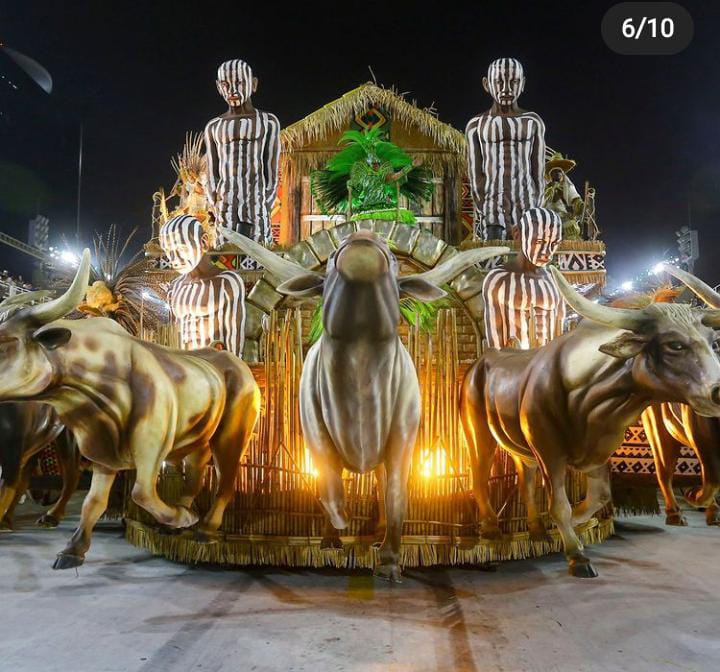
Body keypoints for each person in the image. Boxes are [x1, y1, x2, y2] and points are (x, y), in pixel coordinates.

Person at [466, 58, 546, 240]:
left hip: (526, 199)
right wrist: (483, 201)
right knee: (494, 250)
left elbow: (538, 167)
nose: (506, 89)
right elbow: (474, 171)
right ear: (486, 84)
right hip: (493, 200)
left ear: (523, 83)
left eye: (514, 82)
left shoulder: (533, 122)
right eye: (499, 82)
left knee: (527, 250)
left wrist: (536, 199)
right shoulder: (476, 125)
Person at [204, 59, 281, 247]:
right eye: (225, 84)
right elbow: (212, 168)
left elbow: (271, 165)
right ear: (218, 87)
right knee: (225, 251)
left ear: (253, 84)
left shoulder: (268, 121)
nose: (232, 90)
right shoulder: (214, 126)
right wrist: (215, 199)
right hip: (226, 203)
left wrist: (266, 200)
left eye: (239, 83)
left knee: (259, 249)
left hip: (256, 201)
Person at [160, 214, 246, 356]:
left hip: (214, 366)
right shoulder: (174, 287)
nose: (174, 259)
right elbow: (172, 332)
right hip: (185, 366)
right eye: (169, 252)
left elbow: (235, 335)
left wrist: (230, 369)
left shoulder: (227, 282)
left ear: (204, 242)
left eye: (181, 249)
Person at [482, 207, 564, 349]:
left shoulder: (555, 280)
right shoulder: (499, 279)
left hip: (548, 363)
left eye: (554, 244)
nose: (547, 252)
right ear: (517, 235)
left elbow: (560, 327)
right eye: (539, 242)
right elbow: (494, 336)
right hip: (515, 365)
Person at [544, 152, 584, 240]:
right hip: (547, 216)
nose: (558, 173)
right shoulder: (546, 188)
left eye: (559, 171)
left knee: (572, 228)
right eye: (555, 171)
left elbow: (574, 196)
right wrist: (552, 190)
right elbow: (542, 201)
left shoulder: (567, 186)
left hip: (563, 216)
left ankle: (570, 249)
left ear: (562, 174)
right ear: (551, 174)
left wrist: (579, 204)